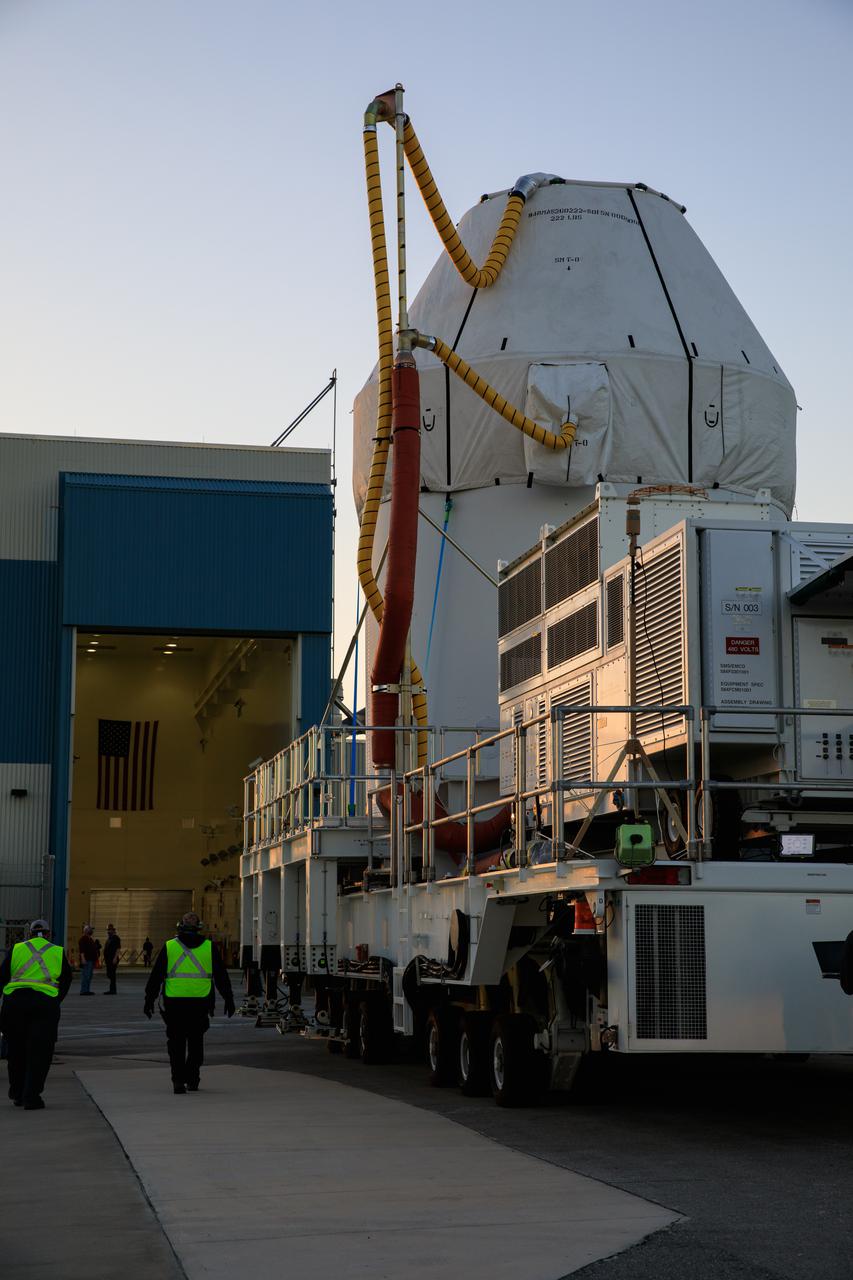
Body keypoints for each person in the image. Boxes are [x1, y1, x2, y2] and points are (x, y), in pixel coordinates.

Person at [144, 912, 235, 1093]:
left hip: (174, 1003)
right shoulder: (209, 947)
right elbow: (221, 976)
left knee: (176, 1043)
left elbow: (156, 976)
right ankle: (192, 1079)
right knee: (196, 1043)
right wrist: (229, 998)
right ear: (199, 927)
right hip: (200, 1003)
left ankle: (178, 1080)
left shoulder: (170, 947)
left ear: (180, 926)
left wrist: (149, 1000)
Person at [0, 919, 72, 1109]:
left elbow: (2, 976)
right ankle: (31, 1096)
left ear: (29, 934)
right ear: (48, 934)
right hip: (44, 1005)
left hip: (14, 1003)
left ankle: (17, 1093)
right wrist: (55, 1000)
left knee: (16, 1050)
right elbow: (66, 980)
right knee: (40, 1052)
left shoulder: (16, 949)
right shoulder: (57, 951)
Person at [78, 925, 97, 994]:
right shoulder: (83, 939)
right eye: (90, 929)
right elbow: (81, 950)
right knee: (86, 975)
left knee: (89, 976)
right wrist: (83, 959)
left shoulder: (90, 939)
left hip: (91, 960)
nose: (91, 931)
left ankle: (87, 990)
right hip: (86, 960)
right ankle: (83, 990)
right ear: (85, 930)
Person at [103, 923, 121, 994]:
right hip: (108, 960)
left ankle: (113, 990)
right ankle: (112, 989)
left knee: (112, 974)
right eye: (108, 930)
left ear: (113, 930)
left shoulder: (116, 938)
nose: (108, 931)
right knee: (109, 974)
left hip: (113, 959)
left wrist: (115, 958)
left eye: (109, 930)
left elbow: (118, 949)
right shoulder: (109, 938)